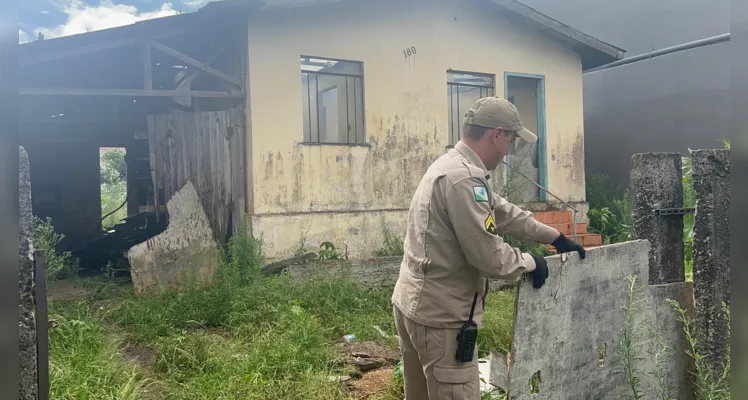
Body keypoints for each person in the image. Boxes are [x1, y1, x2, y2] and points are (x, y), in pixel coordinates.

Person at [391, 97, 586, 399]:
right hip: (442, 319)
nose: (508, 150)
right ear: (496, 135)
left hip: (414, 305)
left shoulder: (451, 165)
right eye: (510, 139)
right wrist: (530, 262)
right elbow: (490, 258)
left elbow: (500, 210)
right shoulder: (465, 179)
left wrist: (553, 237)